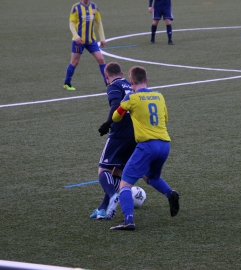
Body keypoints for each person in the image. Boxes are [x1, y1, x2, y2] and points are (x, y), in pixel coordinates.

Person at [109, 66, 180, 230]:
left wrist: (127, 103)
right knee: (151, 177)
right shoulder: (159, 96)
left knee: (125, 184)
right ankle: (170, 193)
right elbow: (166, 118)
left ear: (131, 82)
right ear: (147, 80)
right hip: (164, 144)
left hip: (147, 145)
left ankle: (128, 221)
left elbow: (116, 117)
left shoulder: (131, 98)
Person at [90, 62, 136, 220]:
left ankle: (112, 196)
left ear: (106, 76)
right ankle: (103, 209)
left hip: (120, 132)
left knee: (103, 169)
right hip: (136, 132)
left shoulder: (113, 86)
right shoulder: (131, 85)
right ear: (122, 74)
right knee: (118, 171)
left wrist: (108, 123)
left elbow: (116, 105)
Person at [63, 0, 107, 91]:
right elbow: (71, 24)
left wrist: (102, 38)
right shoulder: (76, 7)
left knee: (101, 59)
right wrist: (76, 36)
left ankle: (108, 83)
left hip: (91, 40)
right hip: (78, 41)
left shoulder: (94, 7)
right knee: (75, 62)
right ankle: (67, 84)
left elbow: (98, 23)